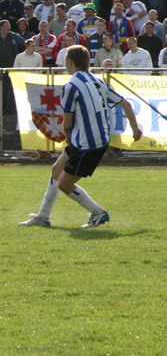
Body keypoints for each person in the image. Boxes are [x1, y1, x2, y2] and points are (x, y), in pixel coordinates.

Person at [20, 45, 142, 228]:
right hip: (91, 139)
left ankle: (98, 213)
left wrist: (66, 137)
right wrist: (135, 130)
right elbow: (126, 105)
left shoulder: (71, 85)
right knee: (56, 170)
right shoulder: (98, 81)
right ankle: (43, 216)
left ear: (69, 62)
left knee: (64, 185)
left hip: (87, 144)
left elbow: (67, 122)